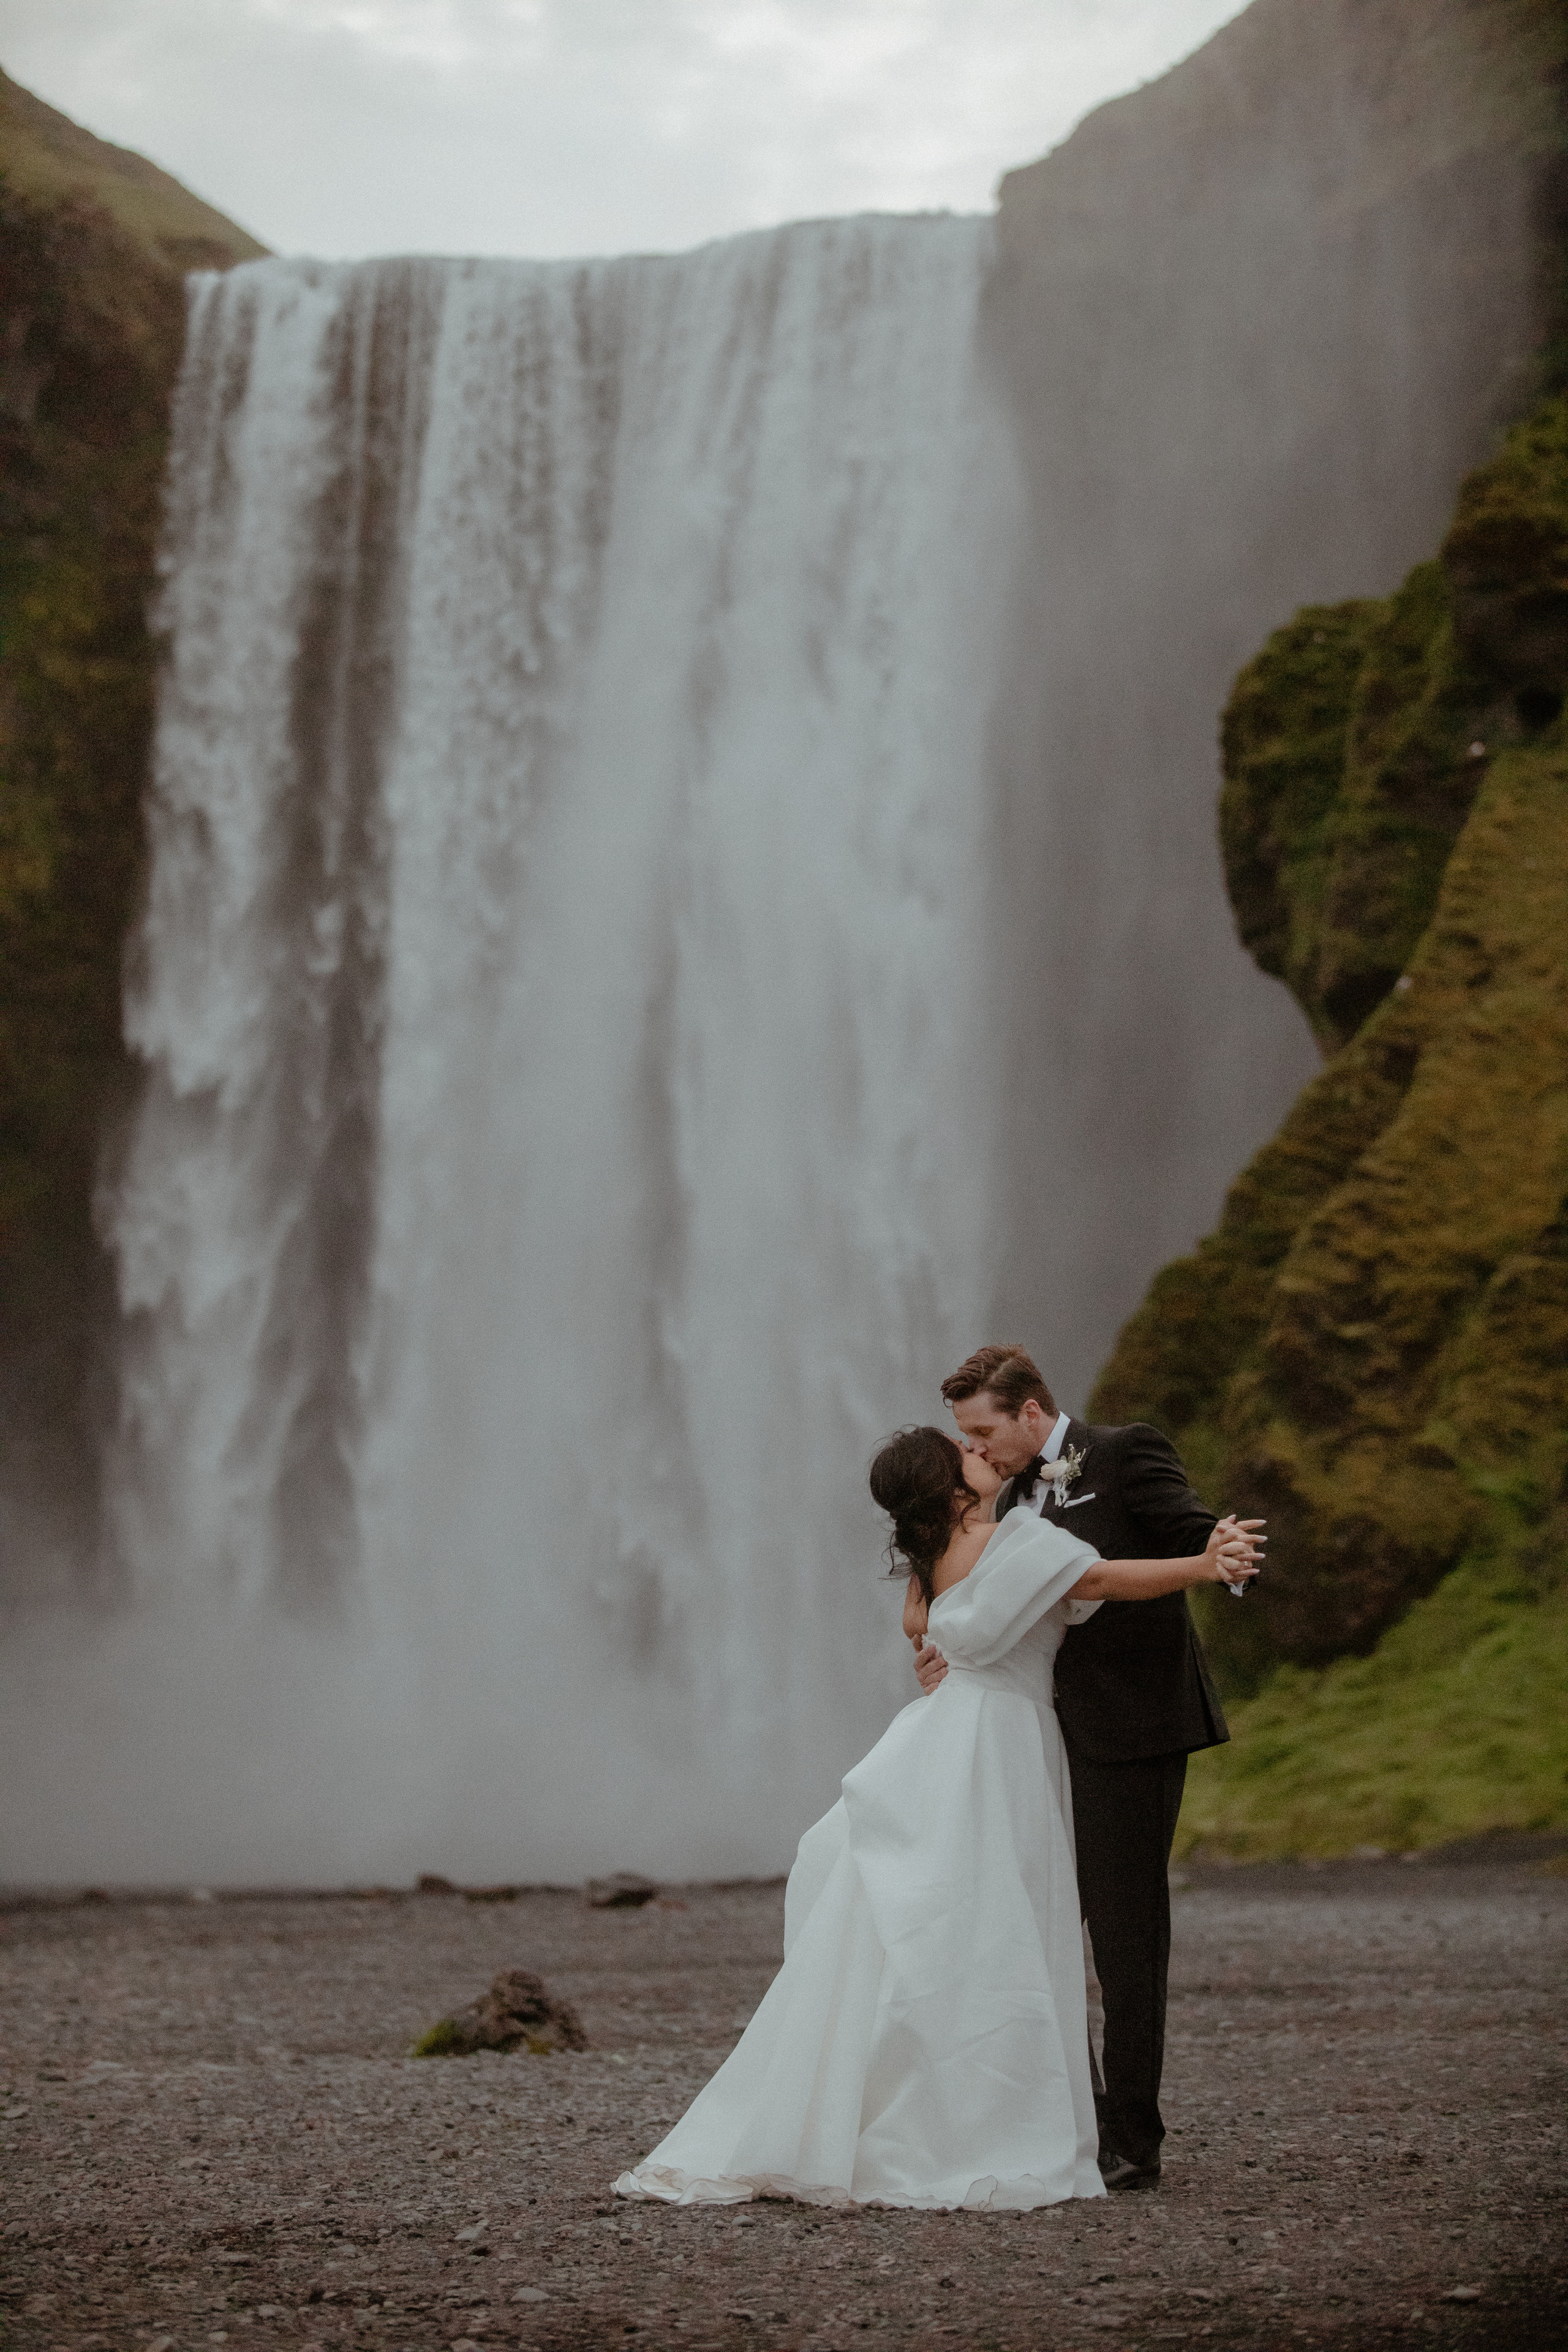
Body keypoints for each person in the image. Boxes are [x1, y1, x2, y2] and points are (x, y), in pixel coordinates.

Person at [614, 1426, 1261, 2211]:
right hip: (1004, 1749)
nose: (982, 1453)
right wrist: (1201, 1564)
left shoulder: (929, 1560)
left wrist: (942, 1653)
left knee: (931, 1924)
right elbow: (1100, 1581)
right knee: (995, 1926)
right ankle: (972, 2116)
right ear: (950, 1489)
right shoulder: (1018, 1538)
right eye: (966, 1454)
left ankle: (883, 2100)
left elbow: (919, 1626)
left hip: (939, 1735)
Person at [920, 1341, 1242, 2192]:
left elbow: (1182, 1524)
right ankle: (1061, 2119)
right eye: (964, 1436)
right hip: (1033, 1739)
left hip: (1132, 1731)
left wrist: (1218, 1544)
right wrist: (953, 1652)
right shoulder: (999, 1495)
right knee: (1036, 1929)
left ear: (1032, 1412)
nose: (975, 1450)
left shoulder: (1126, 1449)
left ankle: (1132, 2137)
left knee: (1127, 1938)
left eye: (984, 1430)